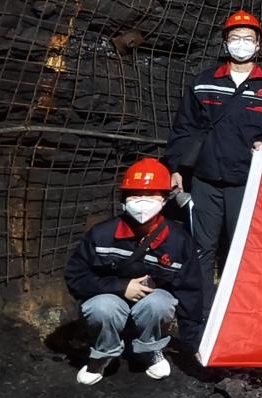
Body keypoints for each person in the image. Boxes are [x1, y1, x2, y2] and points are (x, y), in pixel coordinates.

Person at [164, 10, 262, 316]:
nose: (241, 44)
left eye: (248, 38)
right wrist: (175, 167)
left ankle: (238, 312)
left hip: (247, 181)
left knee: (242, 247)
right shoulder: (204, 83)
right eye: (235, 38)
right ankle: (201, 314)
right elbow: (185, 127)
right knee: (202, 247)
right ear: (225, 42)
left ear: (258, 45)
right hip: (205, 178)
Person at [64, 159, 204, 385]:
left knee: (160, 303)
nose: (142, 201)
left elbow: (190, 291)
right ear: (124, 198)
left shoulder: (179, 241)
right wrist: (121, 287)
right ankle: (103, 354)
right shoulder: (101, 235)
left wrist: (194, 343)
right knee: (100, 307)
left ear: (164, 198)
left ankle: (150, 349)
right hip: (110, 298)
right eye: (135, 194)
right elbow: (75, 276)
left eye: (151, 195)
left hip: (152, 302)